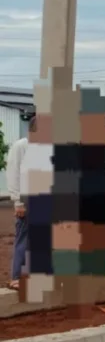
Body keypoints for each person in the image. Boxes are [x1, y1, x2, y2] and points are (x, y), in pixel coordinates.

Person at [6, 115, 31, 289]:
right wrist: (18, 202)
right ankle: (16, 277)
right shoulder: (21, 146)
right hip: (27, 200)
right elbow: (13, 174)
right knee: (23, 238)